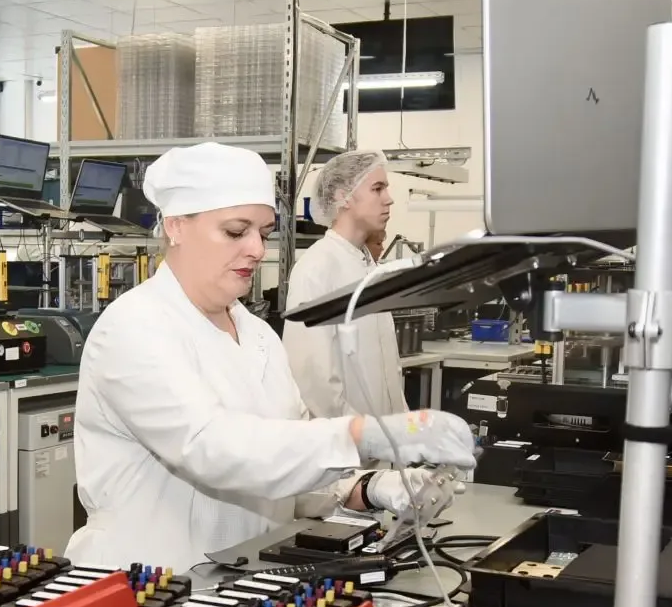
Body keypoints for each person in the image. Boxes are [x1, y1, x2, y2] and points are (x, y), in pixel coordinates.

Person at [68, 142, 477, 573]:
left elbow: (287, 461)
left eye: (263, 233)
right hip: (150, 583)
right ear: (176, 227)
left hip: (240, 578)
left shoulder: (257, 333)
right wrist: (362, 436)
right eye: (235, 231)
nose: (257, 250)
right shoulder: (134, 327)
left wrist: (370, 487)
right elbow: (214, 449)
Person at [282, 150, 407, 418]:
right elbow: (315, 382)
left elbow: (388, 368)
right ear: (343, 195)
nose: (389, 198)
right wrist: (361, 434)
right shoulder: (317, 268)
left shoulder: (368, 265)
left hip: (383, 436)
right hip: (347, 439)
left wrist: (400, 426)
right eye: (377, 188)